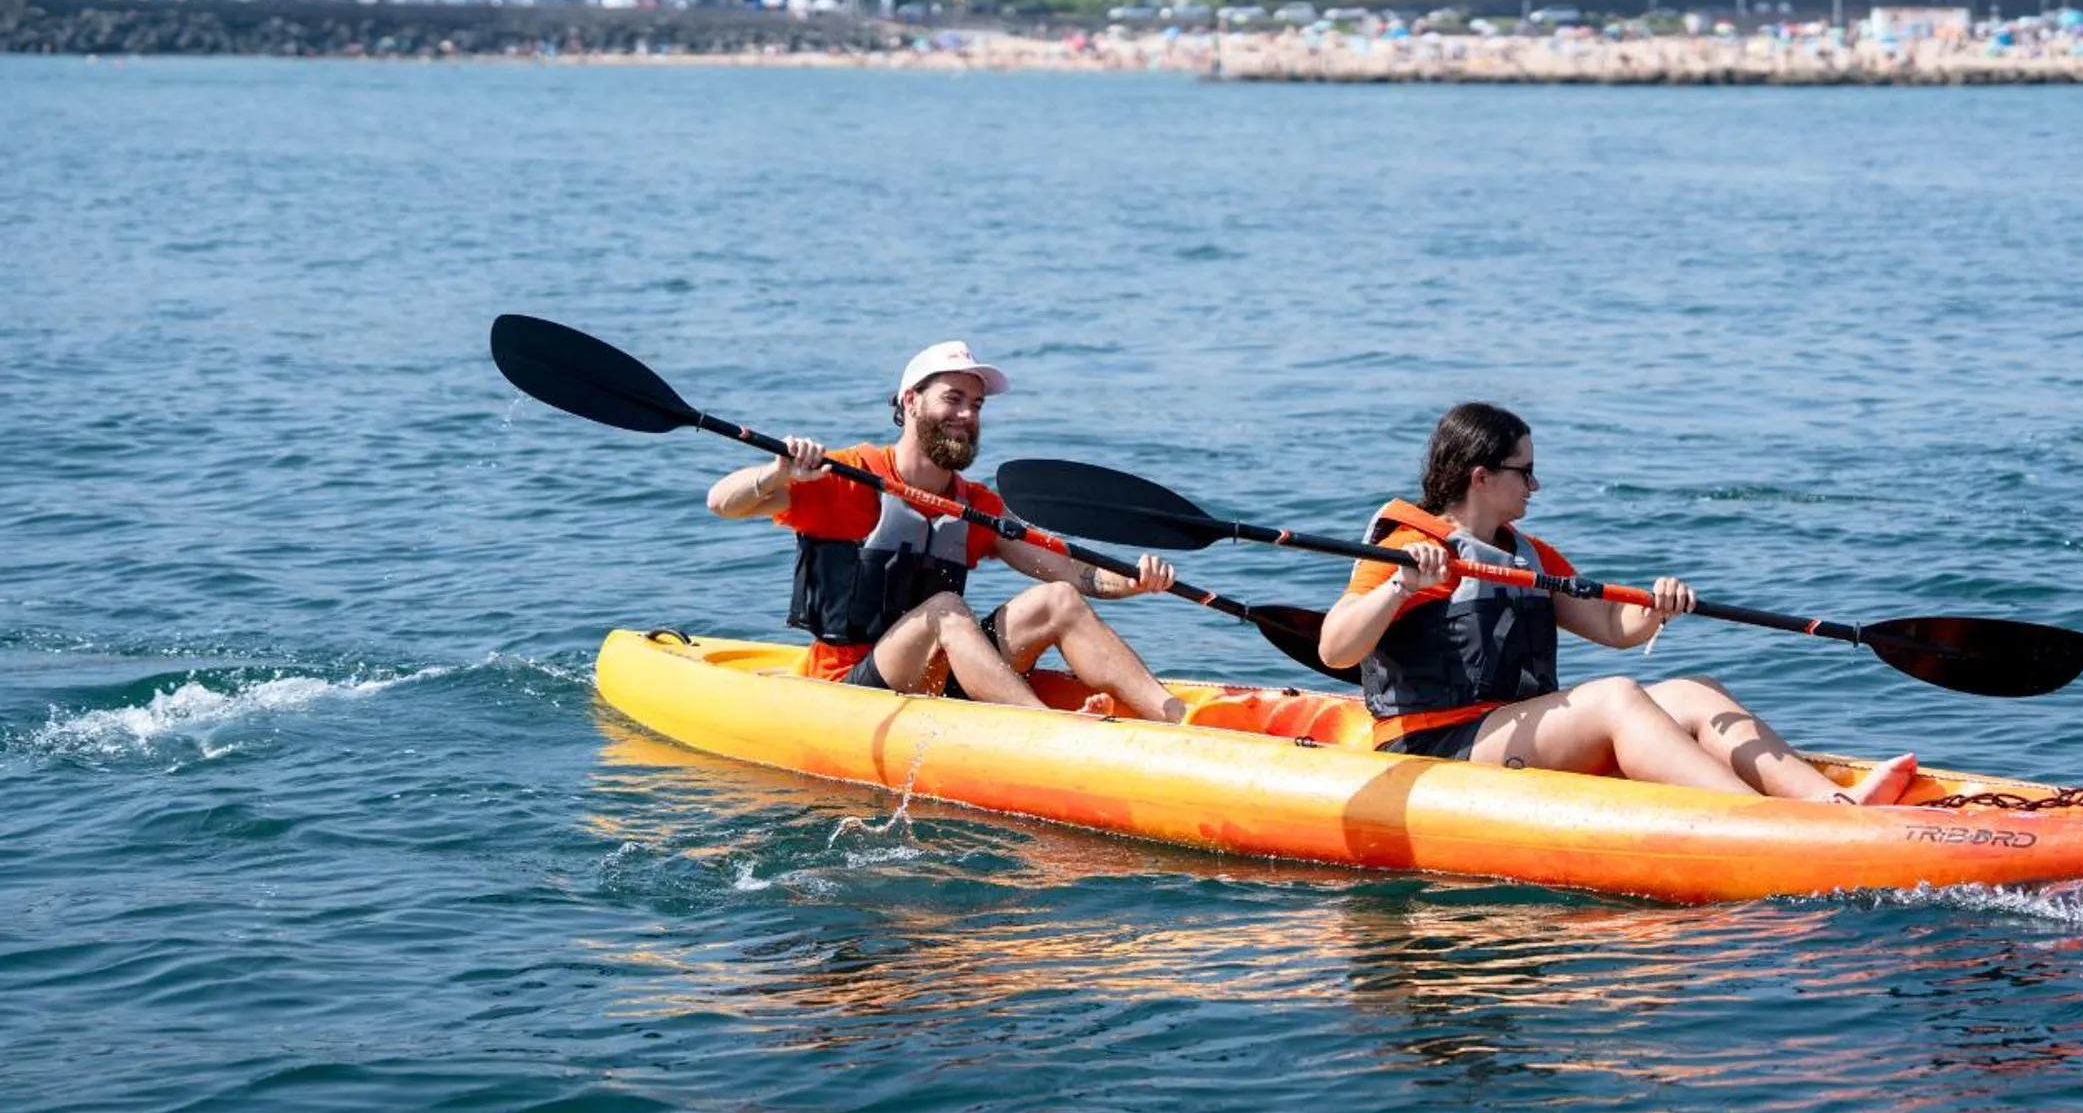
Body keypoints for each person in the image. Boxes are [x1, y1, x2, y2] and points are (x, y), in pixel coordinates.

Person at [1319, 402, 1916, 804]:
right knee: (1614, 697)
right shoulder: (1406, 550)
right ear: (1481, 477)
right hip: (1433, 744)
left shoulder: (1531, 554)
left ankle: (1829, 802)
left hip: (1511, 732)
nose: (1534, 485)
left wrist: (1656, 606)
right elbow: (1336, 647)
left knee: (1693, 690)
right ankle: (1761, 822)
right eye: (1524, 473)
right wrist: (1405, 586)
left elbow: (1610, 624)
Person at [708, 340, 1186, 722]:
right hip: (850, 691)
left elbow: (1070, 571)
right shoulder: (845, 477)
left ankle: (1180, 721)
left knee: (1057, 599)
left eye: (976, 404)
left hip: (943, 678)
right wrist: (776, 473)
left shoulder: (975, 505)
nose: (967, 415)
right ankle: (1050, 731)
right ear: (911, 401)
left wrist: (1133, 582)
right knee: (944, 610)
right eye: (953, 399)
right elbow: (722, 503)